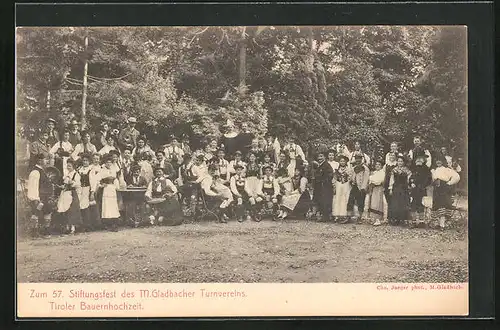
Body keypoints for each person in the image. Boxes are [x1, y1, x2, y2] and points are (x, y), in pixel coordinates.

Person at [26, 153, 55, 236]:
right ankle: (34, 231)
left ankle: (46, 230)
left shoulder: (42, 170)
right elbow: (33, 186)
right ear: (40, 160)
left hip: (45, 197)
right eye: (45, 159)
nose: (47, 161)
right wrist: (35, 199)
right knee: (36, 212)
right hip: (39, 198)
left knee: (47, 211)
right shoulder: (35, 172)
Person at [431, 155, 460, 230]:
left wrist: (449, 183)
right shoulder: (434, 170)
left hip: (444, 189)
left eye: (440, 160)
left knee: (443, 205)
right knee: (437, 205)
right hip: (437, 190)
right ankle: (439, 223)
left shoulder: (447, 169)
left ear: (443, 161)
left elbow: (456, 177)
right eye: (437, 160)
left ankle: (442, 225)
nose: (438, 162)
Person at [56, 159, 83, 234]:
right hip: (65, 193)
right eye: (67, 166)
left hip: (72, 193)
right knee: (65, 210)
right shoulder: (66, 175)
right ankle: (67, 226)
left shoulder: (76, 174)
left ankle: (73, 227)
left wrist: (72, 183)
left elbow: (78, 185)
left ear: (73, 167)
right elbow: (65, 184)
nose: (68, 167)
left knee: (72, 210)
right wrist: (62, 186)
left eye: (70, 166)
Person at [98, 154, 121, 231]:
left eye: (110, 162)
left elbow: (115, 179)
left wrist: (117, 186)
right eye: (107, 162)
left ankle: (114, 224)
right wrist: (101, 184)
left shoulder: (114, 169)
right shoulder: (102, 170)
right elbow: (98, 180)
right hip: (105, 189)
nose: (109, 163)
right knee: (106, 206)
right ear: (105, 163)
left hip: (112, 189)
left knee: (113, 206)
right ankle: (107, 224)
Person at [346, 153, 371, 223]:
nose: (357, 160)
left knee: (361, 202)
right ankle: (349, 216)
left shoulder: (365, 168)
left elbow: (366, 179)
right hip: (354, 186)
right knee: (350, 200)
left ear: (361, 159)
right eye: (356, 158)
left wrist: (363, 188)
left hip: (361, 187)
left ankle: (360, 217)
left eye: (359, 158)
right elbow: (351, 176)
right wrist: (351, 181)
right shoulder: (354, 168)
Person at [409, 154, 432, 227]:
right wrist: (411, 183)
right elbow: (411, 178)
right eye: (417, 159)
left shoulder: (426, 169)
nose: (419, 160)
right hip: (414, 190)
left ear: (424, 160)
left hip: (422, 190)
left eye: (421, 159)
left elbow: (429, 179)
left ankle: (422, 222)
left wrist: (422, 186)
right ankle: (413, 222)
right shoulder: (414, 168)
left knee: (421, 205)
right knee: (413, 205)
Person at [387, 155, 412, 225]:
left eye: (401, 161)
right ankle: (395, 219)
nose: (400, 163)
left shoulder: (407, 170)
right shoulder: (394, 170)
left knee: (403, 203)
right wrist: (390, 188)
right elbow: (392, 180)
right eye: (398, 161)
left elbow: (408, 179)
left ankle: (403, 219)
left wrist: (409, 187)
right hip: (396, 188)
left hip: (404, 188)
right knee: (395, 203)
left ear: (403, 162)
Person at [312, 150, 334, 222]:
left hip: (325, 186)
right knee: (319, 200)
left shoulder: (327, 165)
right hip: (319, 186)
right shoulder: (319, 165)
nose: (320, 158)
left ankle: (325, 216)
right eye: (319, 157)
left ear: (325, 157)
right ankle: (320, 214)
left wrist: (324, 181)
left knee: (325, 201)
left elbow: (330, 174)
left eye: (321, 156)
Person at [332, 155, 352, 222]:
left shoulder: (348, 169)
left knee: (345, 199)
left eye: (343, 161)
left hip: (346, 185)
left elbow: (350, 177)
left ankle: (344, 215)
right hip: (338, 185)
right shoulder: (337, 169)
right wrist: (334, 184)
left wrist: (348, 180)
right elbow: (334, 178)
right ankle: (337, 214)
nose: (342, 162)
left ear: (346, 162)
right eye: (341, 161)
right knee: (338, 199)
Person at [244, 153, 263, 221]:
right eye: (250, 157)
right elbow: (244, 175)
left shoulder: (258, 165)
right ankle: (252, 214)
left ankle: (257, 213)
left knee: (257, 197)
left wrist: (260, 168)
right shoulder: (246, 165)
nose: (252, 158)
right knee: (250, 197)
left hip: (256, 181)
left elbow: (260, 176)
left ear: (255, 158)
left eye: (253, 156)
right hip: (248, 181)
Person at [367, 159, 386, 226]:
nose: (377, 166)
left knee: (378, 203)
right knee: (372, 203)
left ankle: (378, 219)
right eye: (376, 165)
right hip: (373, 188)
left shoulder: (382, 173)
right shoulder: (374, 172)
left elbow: (379, 181)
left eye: (379, 165)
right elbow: (370, 180)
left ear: (381, 166)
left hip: (379, 188)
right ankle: (373, 218)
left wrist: (373, 180)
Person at [77, 153, 93, 231]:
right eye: (84, 160)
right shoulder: (79, 169)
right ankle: (81, 224)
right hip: (80, 189)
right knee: (80, 205)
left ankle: (88, 225)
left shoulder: (90, 170)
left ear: (89, 162)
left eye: (86, 161)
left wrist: (92, 191)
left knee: (86, 206)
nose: (85, 162)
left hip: (87, 188)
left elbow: (92, 181)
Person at [88, 153, 103, 230]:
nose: (96, 160)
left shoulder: (101, 168)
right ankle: (92, 224)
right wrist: (92, 191)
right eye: (94, 159)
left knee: (99, 205)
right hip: (91, 188)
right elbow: (91, 180)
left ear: (99, 160)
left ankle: (99, 223)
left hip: (99, 188)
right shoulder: (90, 167)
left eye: (97, 159)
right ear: (92, 159)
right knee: (92, 205)